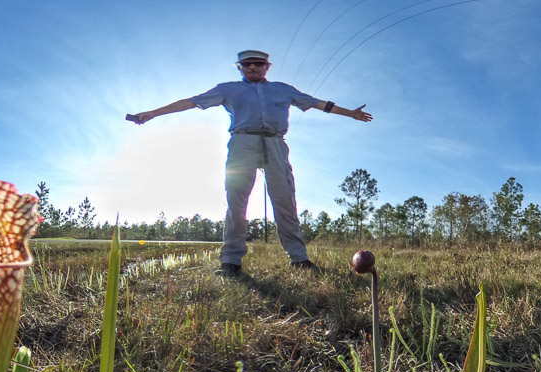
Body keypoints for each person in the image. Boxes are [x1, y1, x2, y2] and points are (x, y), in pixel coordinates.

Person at [131, 50, 372, 276]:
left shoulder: (283, 90)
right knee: (236, 202)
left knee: (285, 200)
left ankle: (299, 259)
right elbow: (192, 101)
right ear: (240, 68)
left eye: (259, 64)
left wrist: (351, 113)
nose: (253, 68)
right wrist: (153, 113)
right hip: (242, 143)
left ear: (267, 67)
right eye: (248, 64)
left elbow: (319, 103)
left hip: (275, 143)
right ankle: (231, 262)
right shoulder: (229, 89)